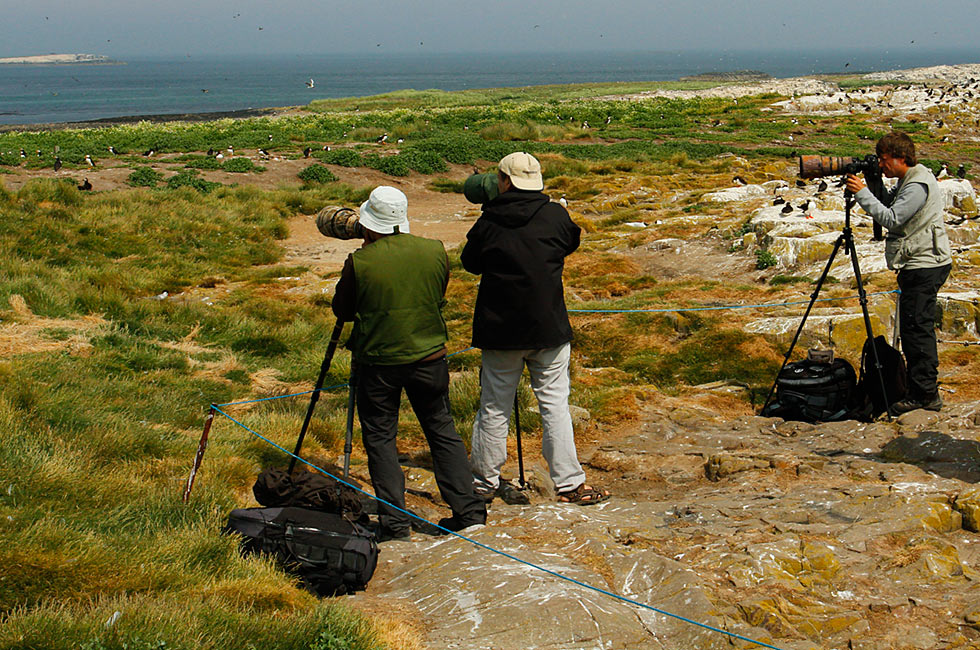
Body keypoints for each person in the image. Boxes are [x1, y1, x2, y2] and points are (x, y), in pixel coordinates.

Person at [332, 186, 487, 539]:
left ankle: (396, 524)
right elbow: (438, 292)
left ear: (369, 222)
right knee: (441, 429)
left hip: (378, 362)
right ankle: (469, 512)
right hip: (430, 355)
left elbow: (343, 310)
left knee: (381, 438)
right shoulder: (434, 250)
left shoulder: (360, 261)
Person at [461, 152, 609, 505]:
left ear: (504, 181)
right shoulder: (555, 215)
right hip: (549, 327)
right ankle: (570, 483)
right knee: (555, 404)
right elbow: (570, 242)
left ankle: (483, 484)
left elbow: (470, 263)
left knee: (494, 406)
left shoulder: (489, 221)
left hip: (500, 331)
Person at [845, 132, 952, 414]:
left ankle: (925, 395)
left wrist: (861, 194)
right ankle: (921, 391)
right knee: (914, 329)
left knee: (917, 331)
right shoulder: (911, 178)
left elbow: (892, 218)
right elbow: (891, 204)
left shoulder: (917, 185)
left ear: (901, 158)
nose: (881, 165)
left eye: (884, 160)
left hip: (925, 264)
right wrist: (873, 181)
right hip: (918, 261)